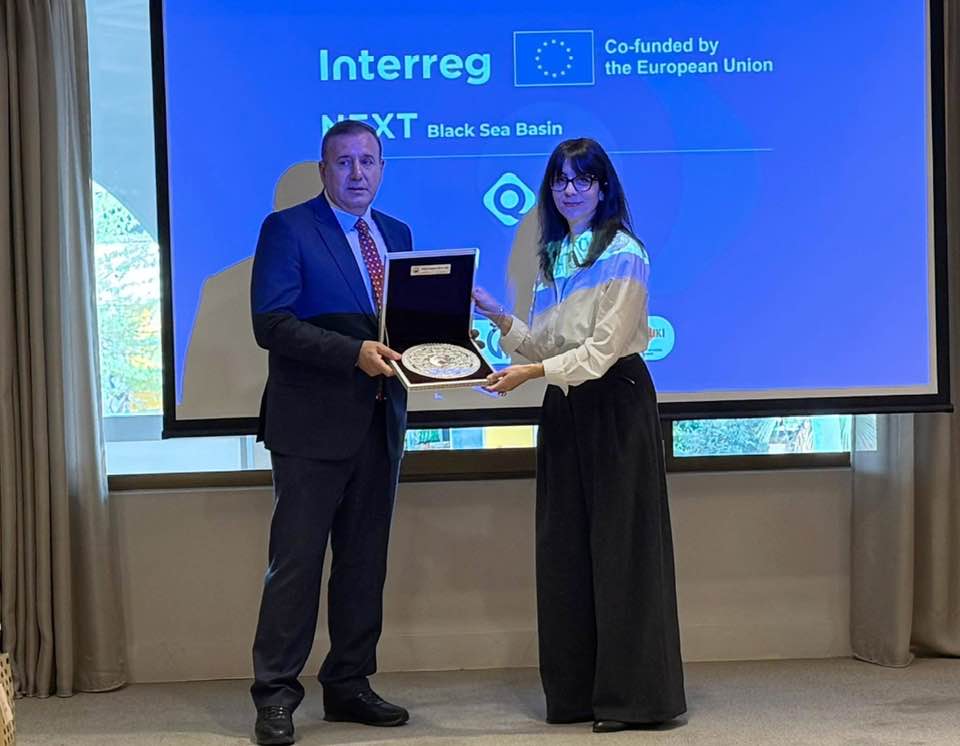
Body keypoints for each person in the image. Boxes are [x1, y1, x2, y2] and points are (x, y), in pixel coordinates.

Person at [474, 138, 686, 732]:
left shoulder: (625, 253)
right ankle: (575, 696)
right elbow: (545, 344)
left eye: (582, 179)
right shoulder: (555, 256)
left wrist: (533, 373)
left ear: (603, 188)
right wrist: (499, 317)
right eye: (560, 180)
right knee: (564, 550)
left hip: (615, 403)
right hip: (565, 406)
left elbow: (601, 352)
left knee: (621, 551)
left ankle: (632, 701)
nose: (569, 190)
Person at [249, 120, 412, 746]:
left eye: (368, 161)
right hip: (310, 427)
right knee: (295, 566)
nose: (357, 173)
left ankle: (348, 683)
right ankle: (275, 696)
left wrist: (446, 343)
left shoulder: (397, 234)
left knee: (364, 564)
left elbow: (403, 326)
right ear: (323, 170)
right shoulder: (287, 229)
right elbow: (271, 323)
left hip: (379, 421)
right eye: (344, 162)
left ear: (382, 168)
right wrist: (352, 353)